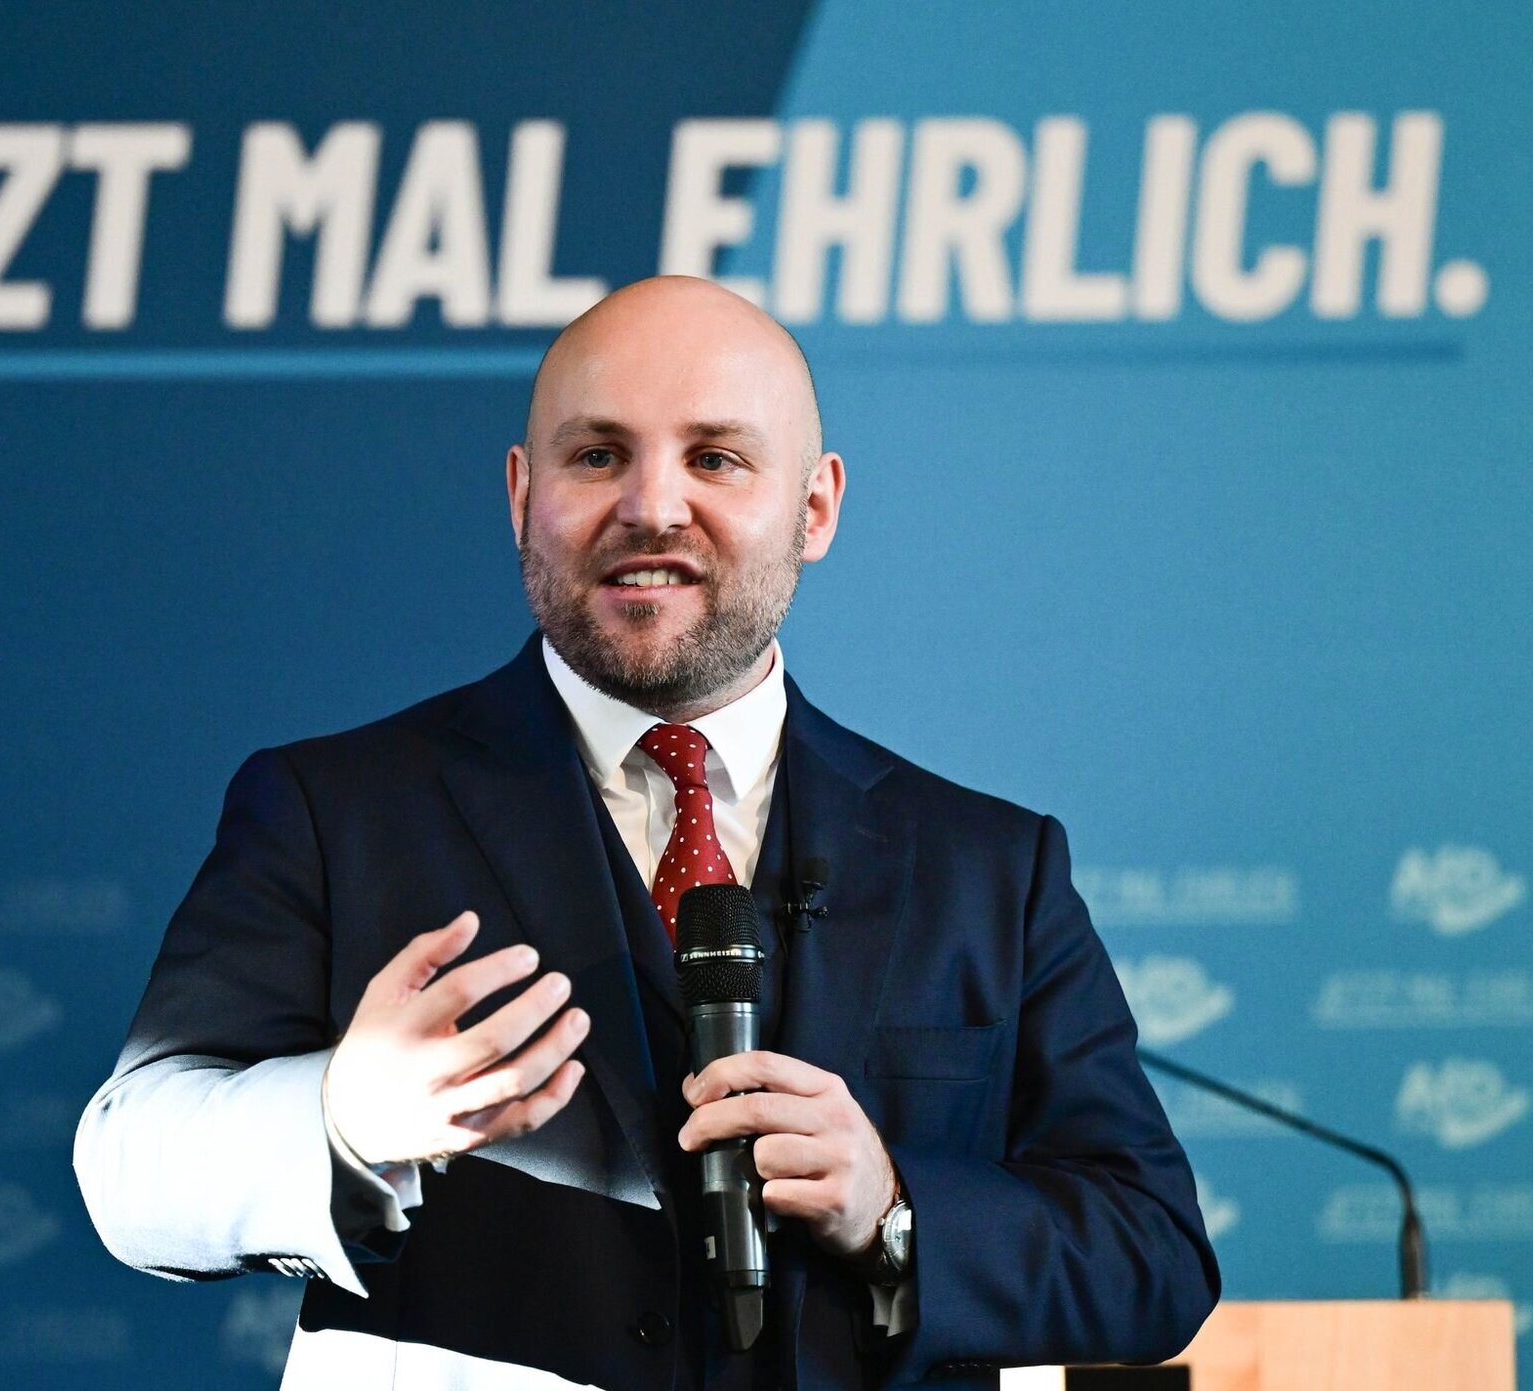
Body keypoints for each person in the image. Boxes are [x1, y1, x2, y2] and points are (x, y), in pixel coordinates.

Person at [74, 276, 1220, 1390]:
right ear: (521, 493)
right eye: (596, 455)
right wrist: (344, 1113)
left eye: (714, 457)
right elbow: (132, 1164)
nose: (651, 507)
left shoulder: (989, 866)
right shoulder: (334, 808)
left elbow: (1151, 1252)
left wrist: (892, 1205)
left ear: (814, 506)